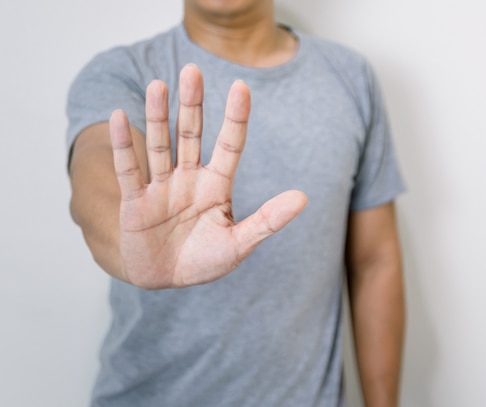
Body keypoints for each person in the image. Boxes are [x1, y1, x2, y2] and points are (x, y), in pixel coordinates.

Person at [66, 0, 406, 406]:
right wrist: (125, 244)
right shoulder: (124, 72)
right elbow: (97, 172)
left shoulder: (351, 76)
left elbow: (375, 262)